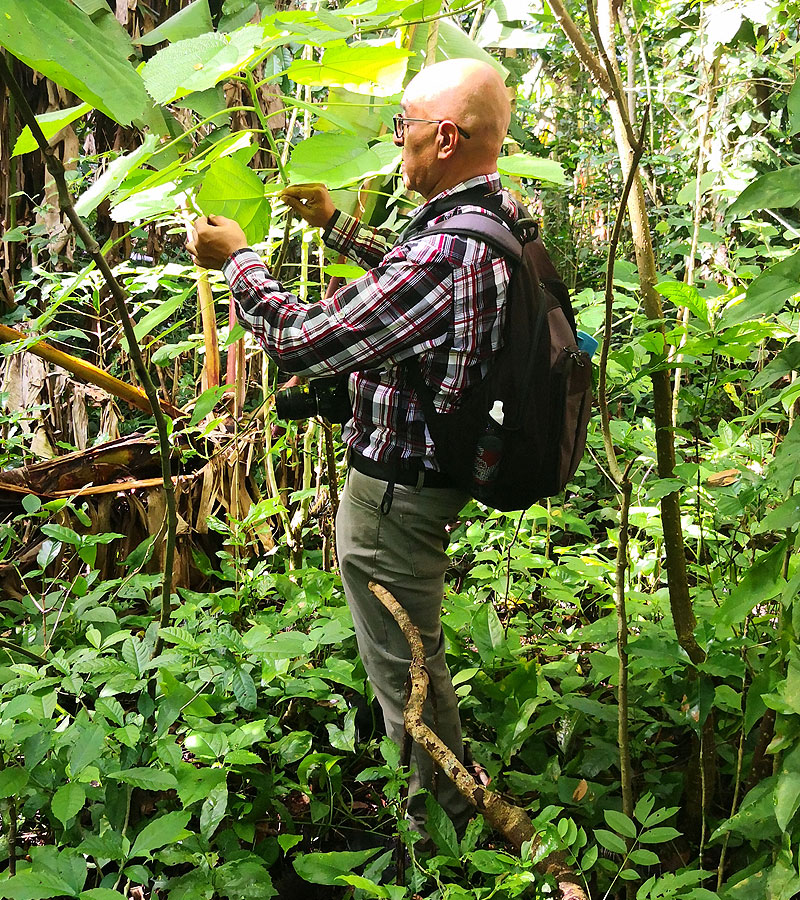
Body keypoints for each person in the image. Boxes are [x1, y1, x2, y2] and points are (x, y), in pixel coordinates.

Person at [187, 57, 514, 840]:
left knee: (404, 664)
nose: (394, 140)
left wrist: (238, 261)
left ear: (442, 137)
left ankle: (440, 840)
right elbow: (413, 292)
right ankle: (448, 801)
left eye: (401, 126)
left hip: (397, 496)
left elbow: (304, 342)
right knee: (413, 650)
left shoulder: (446, 253)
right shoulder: (492, 220)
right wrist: (337, 226)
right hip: (431, 481)